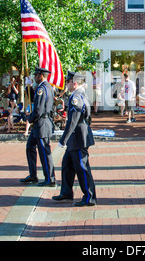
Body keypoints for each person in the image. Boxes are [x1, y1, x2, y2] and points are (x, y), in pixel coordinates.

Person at [52, 71, 96, 207]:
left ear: (74, 83)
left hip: (77, 136)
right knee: (67, 165)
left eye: (68, 82)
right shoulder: (79, 94)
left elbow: (73, 121)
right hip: (77, 136)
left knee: (82, 167)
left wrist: (63, 140)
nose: (66, 84)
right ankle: (66, 192)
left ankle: (89, 196)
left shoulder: (76, 96)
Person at [19, 67, 56, 187]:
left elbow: (39, 109)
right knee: (30, 146)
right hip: (40, 124)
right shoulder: (47, 87)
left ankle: (49, 179)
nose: (34, 77)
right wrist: (28, 87)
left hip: (41, 124)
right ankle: (33, 175)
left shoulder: (42, 88)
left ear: (40, 75)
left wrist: (29, 118)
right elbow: (33, 96)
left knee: (44, 152)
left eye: (35, 75)